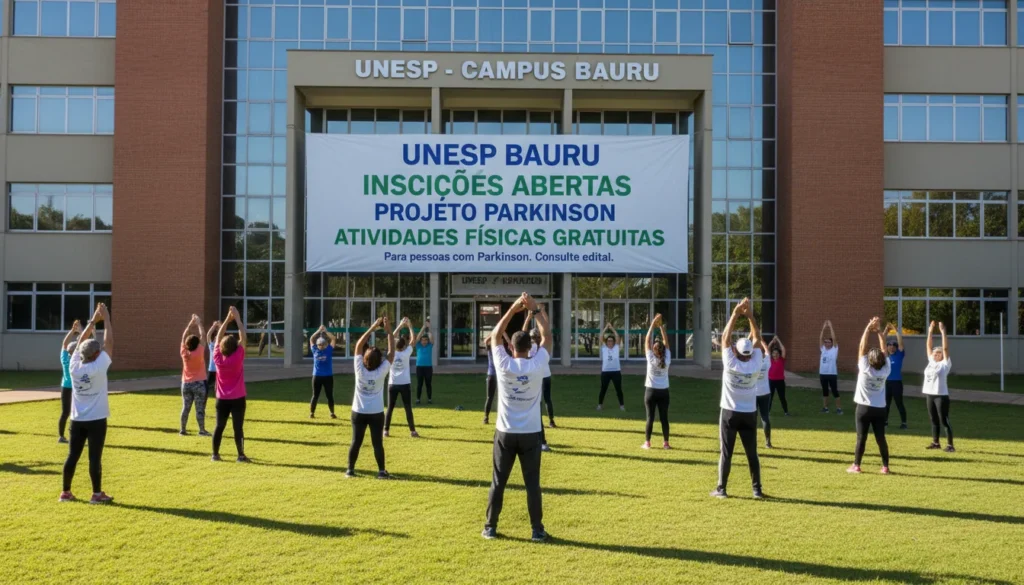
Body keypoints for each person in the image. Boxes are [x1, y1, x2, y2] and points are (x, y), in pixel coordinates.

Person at [482, 292, 550, 542]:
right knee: (532, 484)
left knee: (498, 481)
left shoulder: (503, 363)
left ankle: (490, 527)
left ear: (512, 347)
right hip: (531, 433)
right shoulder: (538, 364)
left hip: (505, 433)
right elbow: (547, 336)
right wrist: (535, 309)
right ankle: (536, 530)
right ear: (530, 348)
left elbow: (497, 334)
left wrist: (513, 309)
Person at [710, 298, 765, 500]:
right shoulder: (756, 363)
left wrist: (735, 313)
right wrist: (749, 314)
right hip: (749, 413)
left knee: (726, 453)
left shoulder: (730, 362)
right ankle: (756, 490)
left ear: (737, 352)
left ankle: (721, 489)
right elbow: (757, 337)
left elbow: (725, 337)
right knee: (752, 453)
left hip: (729, 412)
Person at [60, 303, 114, 504]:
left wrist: (93, 321)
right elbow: (109, 343)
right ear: (96, 354)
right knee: (94, 458)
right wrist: (106, 319)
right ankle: (96, 494)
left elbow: (80, 340)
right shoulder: (100, 366)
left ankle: (65, 492)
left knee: (72, 455)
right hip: (97, 420)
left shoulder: (74, 366)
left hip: (77, 419)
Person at [348, 315, 394, 478]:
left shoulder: (359, 368)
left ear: (365, 359)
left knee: (356, 442)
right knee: (377, 443)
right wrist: (389, 332)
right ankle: (381, 471)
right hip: (375, 413)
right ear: (379, 361)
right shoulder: (382, 372)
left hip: (358, 411)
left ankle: (350, 470)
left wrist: (373, 327)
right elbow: (391, 353)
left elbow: (359, 345)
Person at [848, 317, 892, 475]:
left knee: (861, 437)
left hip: (864, 408)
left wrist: (868, 327)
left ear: (870, 360)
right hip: (880, 409)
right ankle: (885, 467)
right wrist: (879, 331)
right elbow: (884, 349)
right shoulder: (886, 370)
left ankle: (856, 466)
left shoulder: (865, 368)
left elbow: (862, 346)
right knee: (881, 438)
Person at [211, 307, 250, 463]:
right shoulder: (238, 357)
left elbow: (219, 336)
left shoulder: (217, 358)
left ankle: (215, 455)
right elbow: (244, 337)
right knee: (238, 428)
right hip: (238, 398)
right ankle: (240, 455)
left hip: (221, 399)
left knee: (219, 426)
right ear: (236, 347)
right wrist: (238, 319)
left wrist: (227, 319)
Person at [923, 321, 954, 453]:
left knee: (944, 420)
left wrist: (942, 332)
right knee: (933, 419)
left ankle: (950, 445)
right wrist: (930, 331)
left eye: (938, 353)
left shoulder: (945, 364)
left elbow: (945, 349)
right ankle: (936, 442)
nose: (936, 354)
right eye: (935, 353)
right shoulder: (931, 362)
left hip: (941, 396)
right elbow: (928, 346)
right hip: (930, 394)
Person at [641, 314, 672, 450]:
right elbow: (666, 342)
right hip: (664, 391)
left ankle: (647, 443)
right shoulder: (667, 359)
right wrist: (661, 328)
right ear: (663, 350)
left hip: (651, 391)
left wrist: (652, 324)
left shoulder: (651, 358)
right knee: (664, 418)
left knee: (650, 418)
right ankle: (666, 443)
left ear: (654, 350)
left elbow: (647, 340)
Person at [385, 317, 418, 438]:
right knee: (408, 408)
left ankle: (386, 431)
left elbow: (391, 337)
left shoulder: (391, 353)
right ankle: (412, 431)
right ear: (404, 346)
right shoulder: (406, 353)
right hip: (405, 384)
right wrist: (409, 325)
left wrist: (399, 325)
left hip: (392, 384)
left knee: (390, 408)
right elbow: (413, 340)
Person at [524, 306, 555, 430]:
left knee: (534, 400)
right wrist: (542, 313)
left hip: (534, 376)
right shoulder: (543, 347)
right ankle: (551, 421)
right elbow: (546, 330)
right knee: (548, 399)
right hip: (546, 374)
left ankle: (534, 420)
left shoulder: (528, 347)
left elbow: (523, 331)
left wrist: (528, 317)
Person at [179, 314, 210, 436]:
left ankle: (183, 430)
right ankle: (202, 430)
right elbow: (203, 335)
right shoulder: (199, 351)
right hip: (199, 383)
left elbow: (183, 337)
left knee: (185, 408)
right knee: (199, 408)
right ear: (197, 343)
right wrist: (198, 323)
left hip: (186, 384)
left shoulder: (184, 352)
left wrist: (190, 324)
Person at [57, 320, 82, 444]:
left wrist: (72, 330)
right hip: (76, 388)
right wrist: (81, 331)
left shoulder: (65, 359)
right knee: (76, 412)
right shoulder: (77, 360)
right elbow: (82, 342)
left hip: (65, 388)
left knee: (65, 412)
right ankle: (75, 436)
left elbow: (64, 343)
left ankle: (61, 436)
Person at [309, 324, 338, 419]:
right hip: (317, 376)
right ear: (317, 345)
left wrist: (325, 331)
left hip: (328, 376)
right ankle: (312, 413)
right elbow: (311, 339)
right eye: (319, 344)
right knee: (315, 395)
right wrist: (318, 330)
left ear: (325, 344)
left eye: (322, 344)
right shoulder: (314, 350)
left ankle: (332, 413)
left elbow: (333, 339)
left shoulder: (328, 350)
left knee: (329, 395)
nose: (321, 346)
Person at [883, 323, 908, 429]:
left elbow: (901, 343)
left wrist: (895, 330)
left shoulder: (899, 355)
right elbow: (882, 340)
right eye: (890, 346)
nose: (892, 347)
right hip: (886, 383)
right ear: (887, 347)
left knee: (899, 403)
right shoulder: (885, 356)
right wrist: (885, 331)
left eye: (894, 346)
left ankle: (904, 423)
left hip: (897, 383)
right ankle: (885, 422)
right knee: (885, 404)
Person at [483, 332, 510, 425]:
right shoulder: (491, 350)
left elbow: (509, 343)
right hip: (492, 375)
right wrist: (496, 331)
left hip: (500, 376)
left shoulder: (504, 352)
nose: (501, 342)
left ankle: (502, 417)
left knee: (502, 397)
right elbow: (486, 340)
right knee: (490, 397)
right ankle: (486, 417)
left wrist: (501, 331)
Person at [597, 322, 625, 411]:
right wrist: (606, 327)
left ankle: (622, 405)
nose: (610, 342)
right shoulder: (604, 348)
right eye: (608, 341)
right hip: (605, 372)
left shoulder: (616, 347)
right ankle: (600, 405)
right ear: (606, 342)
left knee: (618, 389)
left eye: (611, 341)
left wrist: (612, 328)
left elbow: (617, 337)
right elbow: (601, 337)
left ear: (613, 342)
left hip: (616, 371)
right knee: (603, 389)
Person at [753, 333, 773, 449]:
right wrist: (762, 341)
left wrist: (753, 337)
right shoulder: (766, 362)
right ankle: (768, 442)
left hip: (754, 393)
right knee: (765, 417)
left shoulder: (752, 364)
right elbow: (767, 351)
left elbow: (747, 350)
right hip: (765, 392)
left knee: (753, 418)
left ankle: (753, 442)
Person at [819, 320, 842, 414]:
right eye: (825, 342)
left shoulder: (835, 349)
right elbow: (820, 338)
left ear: (832, 343)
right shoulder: (823, 349)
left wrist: (831, 327)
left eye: (828, 342)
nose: (826, 343)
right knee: (825, 391)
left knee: (835, 391)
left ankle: (839, 409)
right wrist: (824, 328)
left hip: (832, 374)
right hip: (823, 374)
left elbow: (834, 338)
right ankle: (825, 408)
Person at [767, 337, 789, 416]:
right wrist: (772, 341)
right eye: (773, 353)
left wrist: (778, 340)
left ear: (779, 354)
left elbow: (783, 349)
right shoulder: (770, 360)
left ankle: (786, 412)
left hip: (780, 381)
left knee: (782, 397)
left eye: (777, 353)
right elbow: (768, 348)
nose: (775, 355)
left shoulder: (781, 360)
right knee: (770, 397)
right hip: (771, 381)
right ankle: (767, 412)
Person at [414, 322, 434, 405]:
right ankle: (418, 399)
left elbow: (432, 338)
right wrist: (423, 327)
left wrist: (429, 328)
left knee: (428, 384)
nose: (424, 342)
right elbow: (417, 337)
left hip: (428, 367)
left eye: (426, 340)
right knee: (420, 384)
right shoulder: (418, 345)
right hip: (419, 367)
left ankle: (429, 399)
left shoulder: (430, 345)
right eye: (423, 340)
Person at [205, 320, 220, 398]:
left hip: (218, 369)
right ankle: (205, 396)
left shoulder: (221, 346)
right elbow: (208, 335)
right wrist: (214, 326)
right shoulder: (211, 345)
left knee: (218, 385)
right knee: (207, 384)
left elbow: (222, 334)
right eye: (215, 337)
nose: (215, 338)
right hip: (211, 369)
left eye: (217, 338)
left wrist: (220, 327)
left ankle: (218, 396)